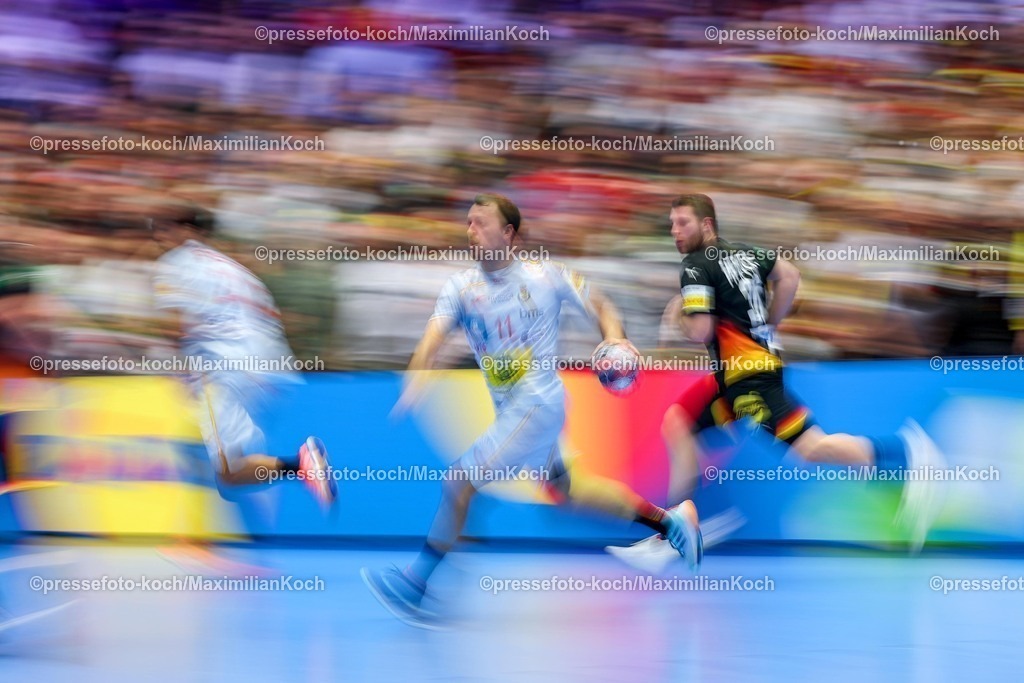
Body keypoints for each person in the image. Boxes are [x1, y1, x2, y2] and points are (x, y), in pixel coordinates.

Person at [361, 194, 702, 627]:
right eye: (468, 222)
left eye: (481, 222)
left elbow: (600, 304)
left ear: (508, 234)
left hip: (538, 403)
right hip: (515, 410)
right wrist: (417, 375)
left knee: (459, 482)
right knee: (568, 490)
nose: (471, 230)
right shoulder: (460, 288)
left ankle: (417, 585)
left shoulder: (546, 276)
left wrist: (614, 338)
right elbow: (433, 337)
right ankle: (671, 524)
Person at [610, 194, 944, 570]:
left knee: (811, 449)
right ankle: (678, 527)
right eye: (672, 223)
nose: (675, 231)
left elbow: (701, 329)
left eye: (683, 223)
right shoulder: (749, 253)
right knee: (679, 421)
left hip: (746, 377)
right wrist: (770, 322)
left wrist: (680, 314)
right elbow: (790, 276)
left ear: (706, 225)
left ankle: (904, 454)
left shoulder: (695, 266)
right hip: (739, 374)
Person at [151, 207, 335, 507]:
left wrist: (180, 372)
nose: (159, 237)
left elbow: (174, 325)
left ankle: (301, 464)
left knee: (230, 472)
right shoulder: (237, 269)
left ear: (187, 231)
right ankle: (293, 468)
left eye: (164, 229)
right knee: (229, 477)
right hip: (272, 370)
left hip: (226, 370)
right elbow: (270, 316)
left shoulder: (175, 262)